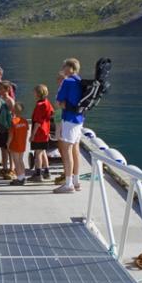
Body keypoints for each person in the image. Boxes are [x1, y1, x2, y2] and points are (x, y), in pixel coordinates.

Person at [54, 58, 85, 194]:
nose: (62, 67)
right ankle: (76, 181)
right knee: (75, 151)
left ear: (70, 68)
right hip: (79, 119)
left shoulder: (67, 81)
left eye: (64, 65)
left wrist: (62, 104)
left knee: (66, 151)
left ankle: (68, 184)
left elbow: (58, 101)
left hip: (69, 119)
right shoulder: (80, 81)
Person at [29, 84, 55, 182]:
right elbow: (51, 113)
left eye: (35, 91)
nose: (33, 93)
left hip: (39, 132)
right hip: (45, 131)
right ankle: (47, 171)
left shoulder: (40, 105)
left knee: (38, 153)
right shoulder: (47, 102)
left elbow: (38, 122)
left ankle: (38, 174)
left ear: (38, 93)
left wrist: (32, 134)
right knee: (43, 151)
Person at [0, 81, 15, 181]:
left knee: (9, 148)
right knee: (2, 147)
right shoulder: (0, 99)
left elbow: (13, 115)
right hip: (1, 126)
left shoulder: (10, 100)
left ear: (7, 90)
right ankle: (5, 167)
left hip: (8, 127)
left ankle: (12, 168)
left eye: (1, 88)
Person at [7, 103, 30, 186]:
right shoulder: (25, 121)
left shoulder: (13, 121)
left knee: (16, 161)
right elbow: (26, 131)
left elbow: (11, 135)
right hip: (22, 143)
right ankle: (23, 176)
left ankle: (20, 178)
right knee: (20, 160)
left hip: (15, 143)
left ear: (13, 110)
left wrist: (8, 143)